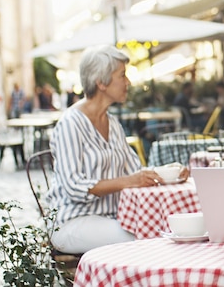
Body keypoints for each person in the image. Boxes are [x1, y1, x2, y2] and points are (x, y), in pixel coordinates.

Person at [47, 45, 189, 254]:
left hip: (111, 218)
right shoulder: (71, 123)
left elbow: (135, 171)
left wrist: (170, 171)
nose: (128, 82)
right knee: (146, 239)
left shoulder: (112, 123)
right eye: (122, 75)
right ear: (101, 82)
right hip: (72, 221)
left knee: (168, 231)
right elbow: (73, 186)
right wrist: (128, 181)